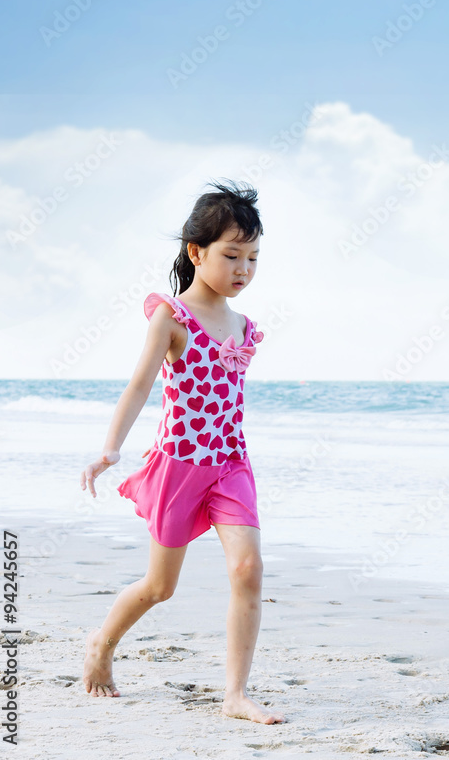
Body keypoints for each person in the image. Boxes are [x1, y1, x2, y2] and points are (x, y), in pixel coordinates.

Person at [78, 179, 285, 725]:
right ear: (197, 252)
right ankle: (101, 643)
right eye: (232, 255)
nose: (244, 269)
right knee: (159, 587)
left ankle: (235, 694)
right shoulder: (171, 317)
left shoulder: (244, 327)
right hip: (179, 466)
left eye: (254, 258)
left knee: (248, 568)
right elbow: (140, 386)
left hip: (231, 464)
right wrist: (110, 450)